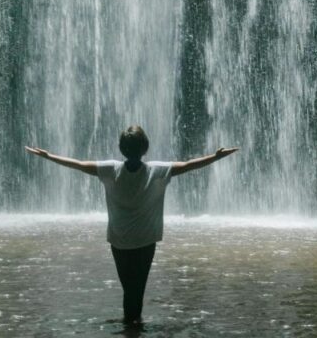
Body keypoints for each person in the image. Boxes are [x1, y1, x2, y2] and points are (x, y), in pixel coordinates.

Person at [25, 125, 238, 328]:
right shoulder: (157, 170)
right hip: (145, 241)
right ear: (145, 148)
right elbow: (189, 165)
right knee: (138, 288)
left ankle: (130, 325)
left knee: (128, 288)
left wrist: (49, 156)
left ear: (122, 149)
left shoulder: (110, 169)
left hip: (119, 241)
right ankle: (133, 325)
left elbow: (78, 164)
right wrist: (215, 157)